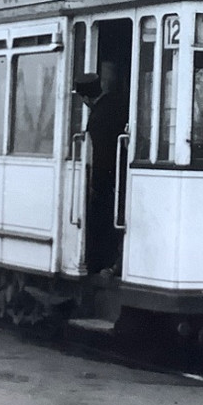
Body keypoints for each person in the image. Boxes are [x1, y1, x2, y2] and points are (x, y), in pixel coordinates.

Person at [84, 61, 130, 275]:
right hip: (119, 175)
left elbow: (101, 152)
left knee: (101, 219)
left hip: (107, 177)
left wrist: (96, 182)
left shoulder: (99, 115)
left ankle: (100, 264)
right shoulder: (118, 104)